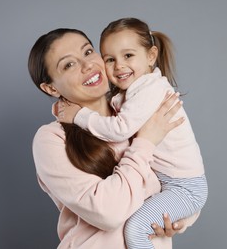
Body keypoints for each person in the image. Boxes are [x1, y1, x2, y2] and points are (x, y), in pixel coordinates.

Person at [28, 28, 200, 249]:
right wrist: (145, 142)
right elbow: (109, 212)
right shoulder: (51, 139)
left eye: (88, 52)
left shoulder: (135, 113)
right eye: (69, 64)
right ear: (50, 87)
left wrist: (175, 220)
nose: (88, 65)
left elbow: (179, 184)